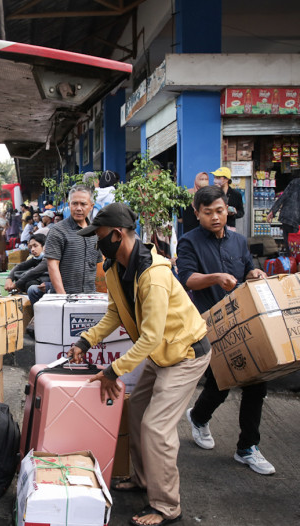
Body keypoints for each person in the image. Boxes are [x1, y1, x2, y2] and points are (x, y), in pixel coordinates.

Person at [65, 202, 212, 526]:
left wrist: (112, 371)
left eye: (100, 236)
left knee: (156, 427)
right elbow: (115, 313)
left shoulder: (153, 275)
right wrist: (86, 341)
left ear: (117, 235)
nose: (97, 242)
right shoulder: (115, 268)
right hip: (162, 354)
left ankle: (167, 506)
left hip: (185, 355)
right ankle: (144, 479)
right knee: (136, 412)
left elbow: (150, 338)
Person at [177, 186, 274, 476]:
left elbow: (247, 272)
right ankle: (198, 416)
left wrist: (255, 273)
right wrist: (215, 278)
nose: (215, 217)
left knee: (256, 384)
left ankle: (248, 447)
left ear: (227, 210)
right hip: (210, 324)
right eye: (208, 213)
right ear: (197, 213)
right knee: (220, 383)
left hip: (244, 321)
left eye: (219, 211)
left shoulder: (239, 241)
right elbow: (188, 279)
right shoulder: (189, 242)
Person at [44, 184, 102, 294]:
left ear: (91, 206)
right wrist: (63, 297)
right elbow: (52, 265)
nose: (78, 208)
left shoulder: (96, 233)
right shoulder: (58, 231)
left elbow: (98, 266)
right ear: (69, 204)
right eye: (74, 203)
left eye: (83, 204)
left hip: (90, 297)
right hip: (65, 297)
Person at [4, 233, 49, 302]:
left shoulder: (48, 259)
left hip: (50, 286)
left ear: (44, 246)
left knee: (31, 283)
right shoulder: (36, 259)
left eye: (35, 246)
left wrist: (16, 285)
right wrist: (9, 278)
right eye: (31, 247)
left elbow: (34, 272)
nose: (32, 249)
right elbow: (19, 266)